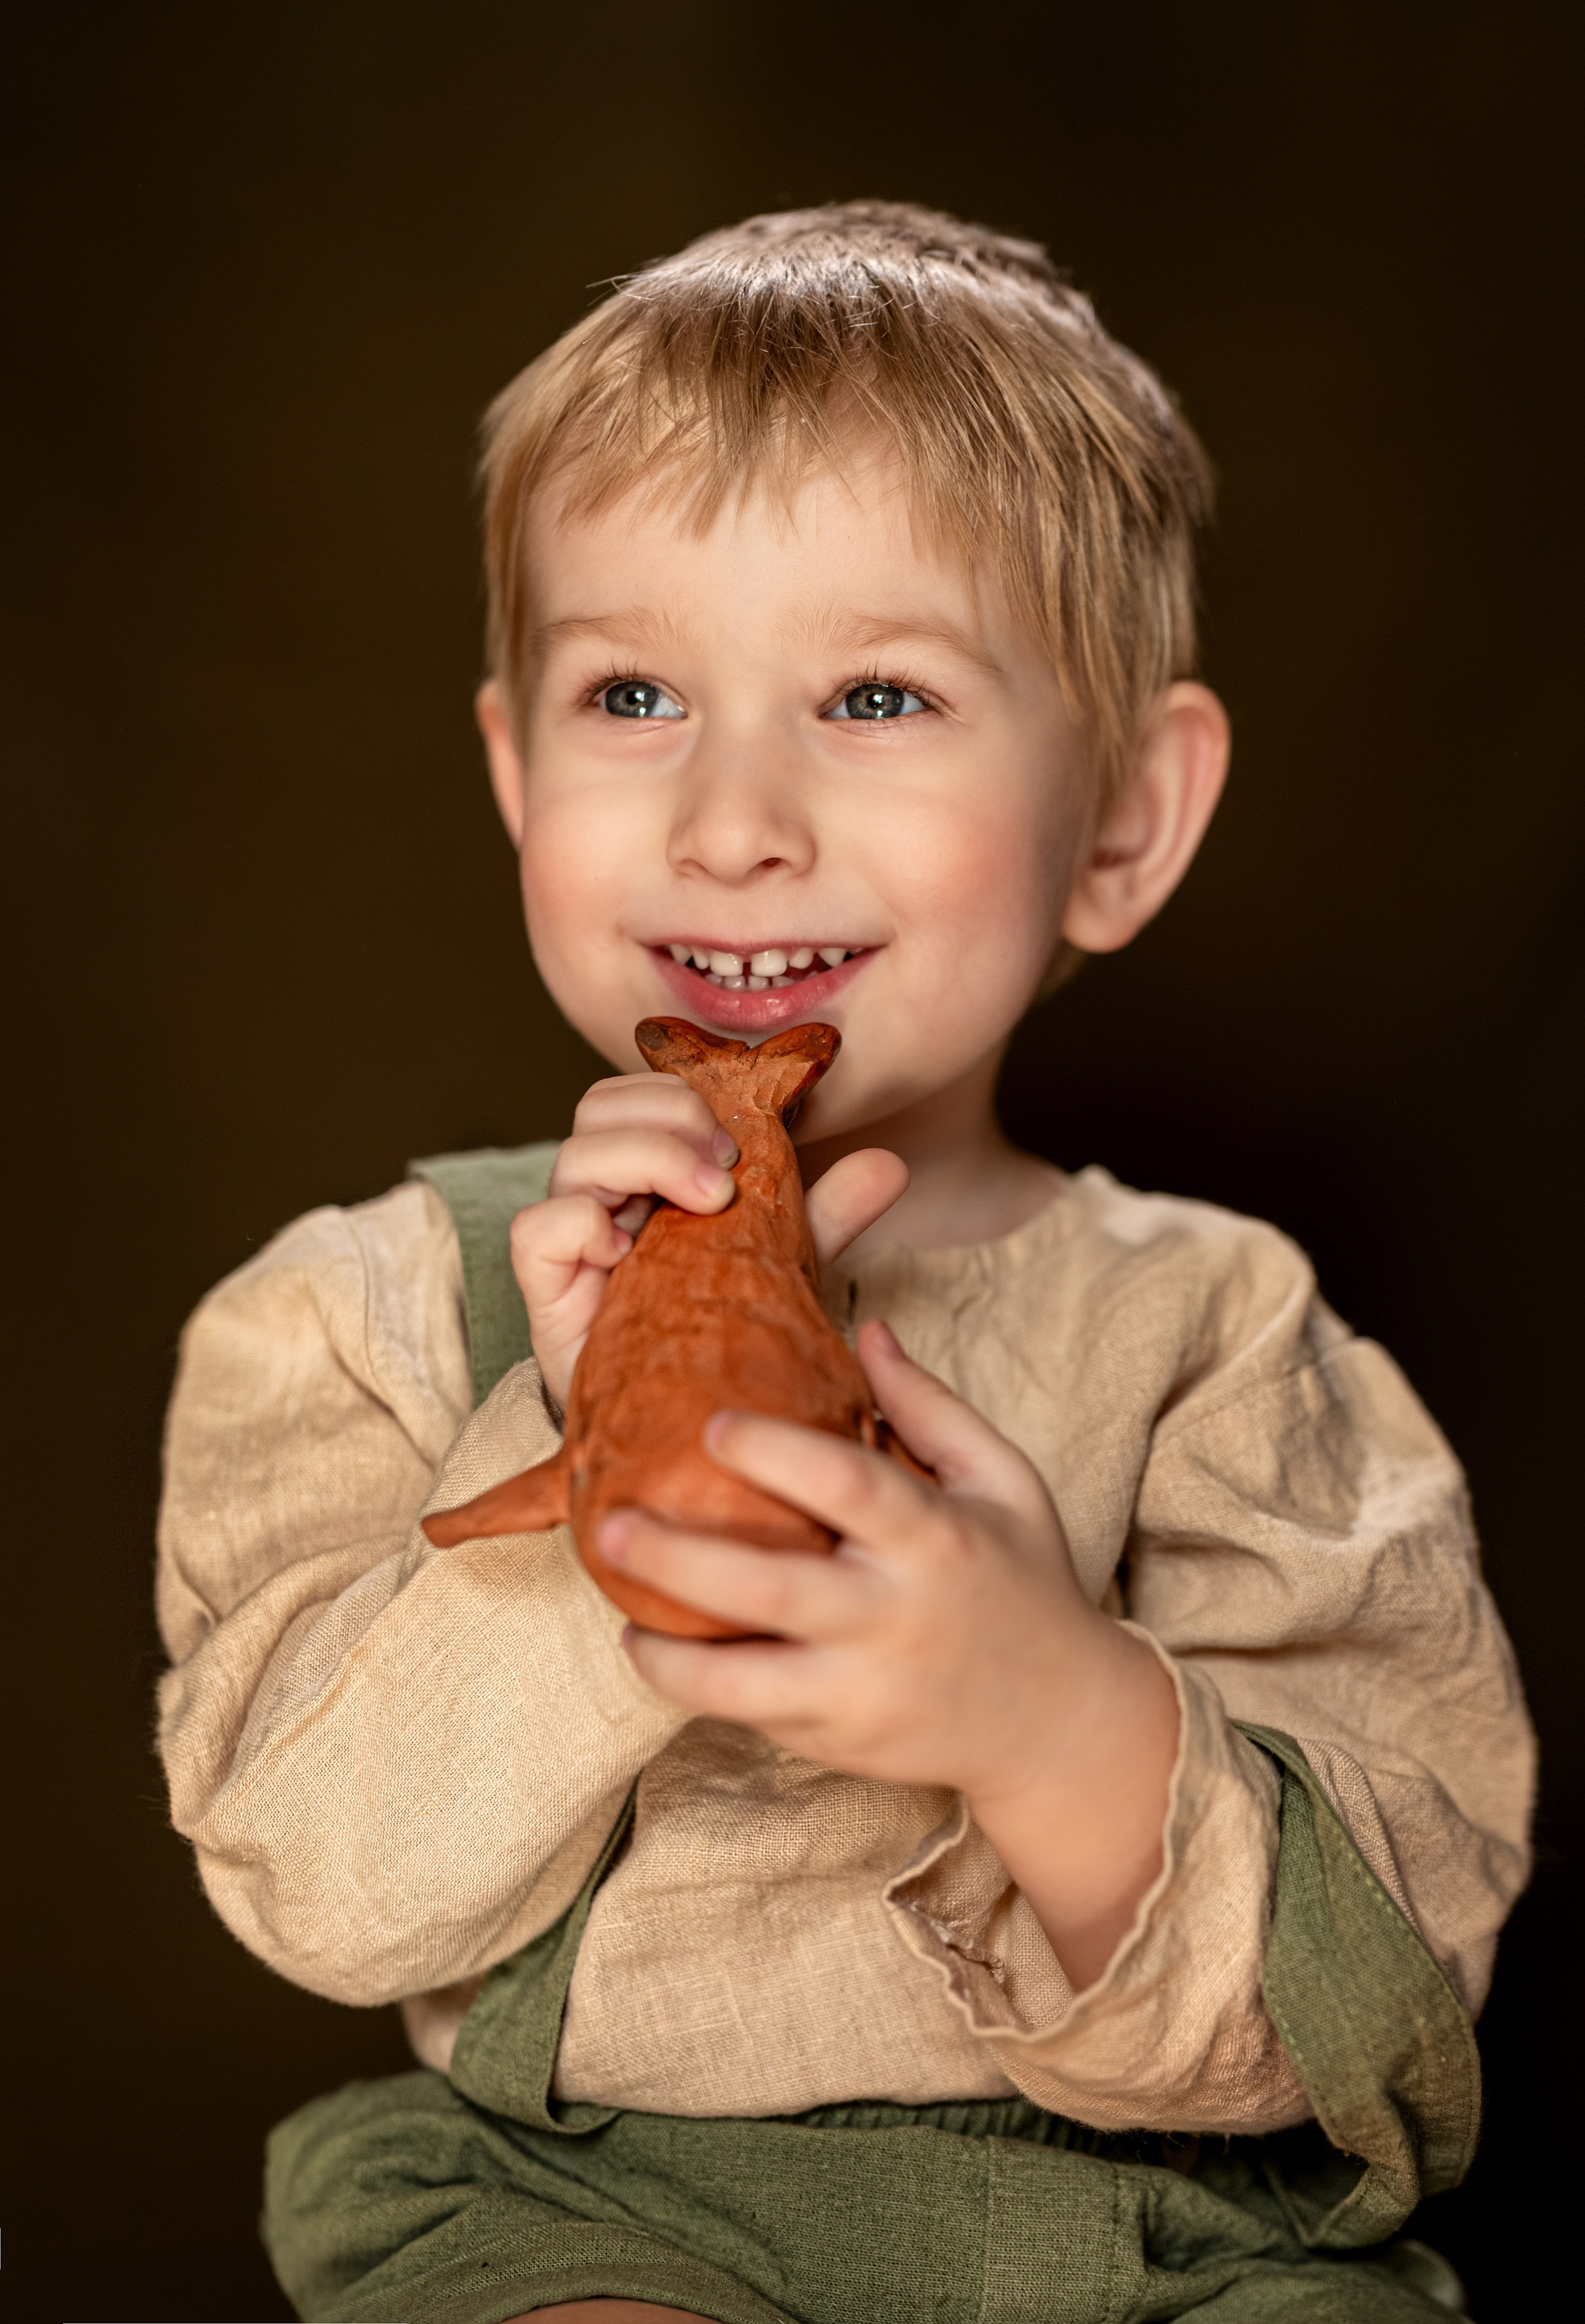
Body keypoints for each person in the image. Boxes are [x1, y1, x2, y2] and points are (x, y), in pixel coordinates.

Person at [155, 202, 1533, 2324]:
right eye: (633, 691)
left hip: (1170, 2239)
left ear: (1125, 825)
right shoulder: (357, 1311)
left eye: (876, 692)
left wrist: (1050, 1713)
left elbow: (1390, 2012)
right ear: (517, 772)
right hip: (595, 2211)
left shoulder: (1223, 1336)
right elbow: (319, 1891)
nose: (731, 820)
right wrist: (596, 1438)